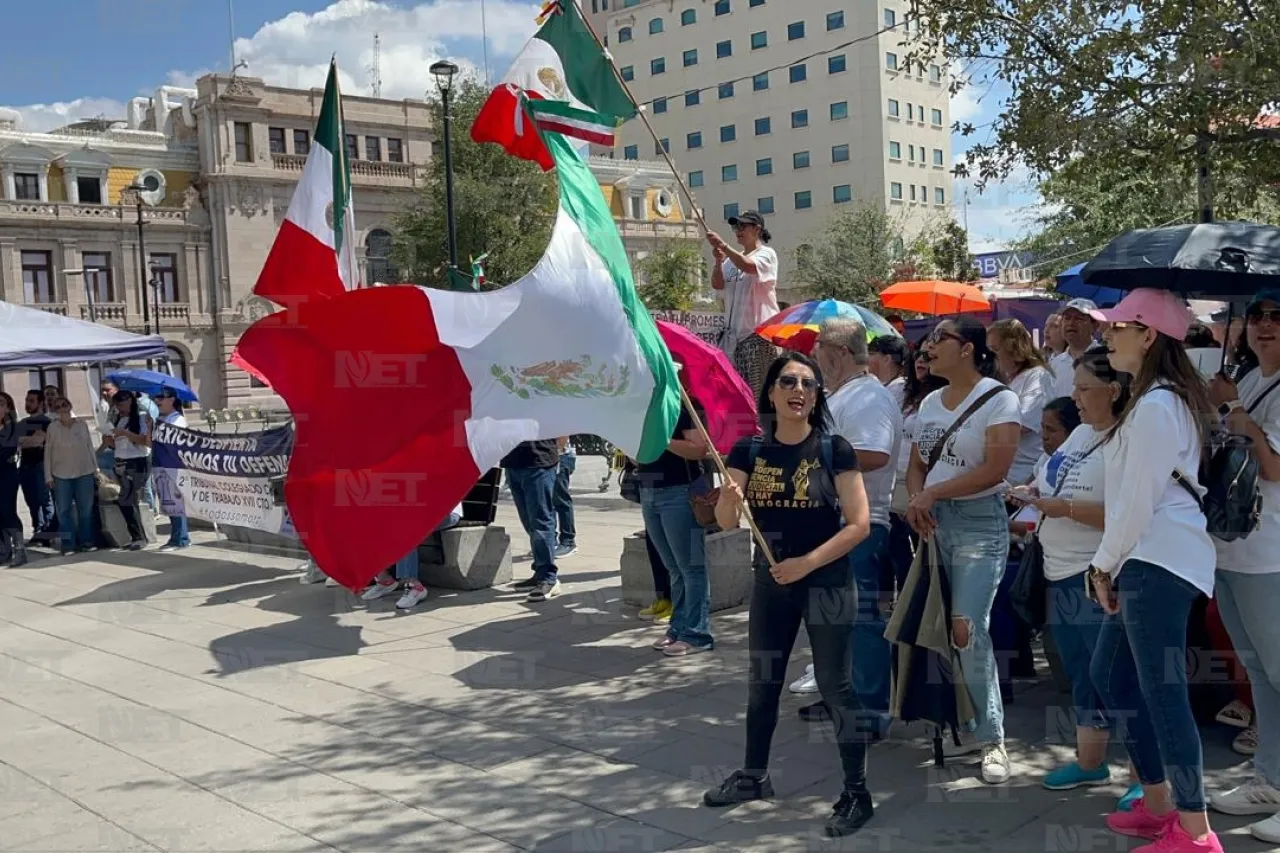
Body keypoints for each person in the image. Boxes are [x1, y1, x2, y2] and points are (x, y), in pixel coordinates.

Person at [704, 353, 875, 838]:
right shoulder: (748, 451)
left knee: (835, 687)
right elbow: (726, 523)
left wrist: (808, 563)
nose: (798, 389)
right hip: (771, 583)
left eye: (808, 383)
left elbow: (859, 524)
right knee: (763, 684)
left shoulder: (834, 449)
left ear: (817, 395)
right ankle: (754, 776)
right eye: (787, 381)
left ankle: (857, 792)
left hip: (826, 581)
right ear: (772, 394)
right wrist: (727, 501)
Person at [1084, 288, 1222, 853]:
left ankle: (1195, 832)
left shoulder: (1158, 406)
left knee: (1163, 697)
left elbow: (1136, 501)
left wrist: (1102, 564)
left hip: (1156, 560)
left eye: (1118, 327)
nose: (1107, 335)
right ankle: (1160, 802)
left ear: (1148, 336)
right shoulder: (1158, 401)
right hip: (1151, 558)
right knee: (1112, 675)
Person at [906, 316, 1021, 784]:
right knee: (934, 622)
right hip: (935, 524)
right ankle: (958, 715)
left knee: (965, 628)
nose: (929, 347)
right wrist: (918, 498)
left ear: (968, 348)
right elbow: (917, 463)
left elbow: (996, 469)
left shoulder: (1001, 399)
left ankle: (992, 739)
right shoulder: (931, 400)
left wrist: (934, 493)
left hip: (978, 524)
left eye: (939, 339)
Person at [1020, 348, 1128, 794]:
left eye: (1084, 389)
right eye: (1075, 387)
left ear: (1114, 390)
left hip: (1097, 574)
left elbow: (1128, 512)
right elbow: (1052, 475)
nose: (1076, 397)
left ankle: (1148, 775)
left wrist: (1061, 507)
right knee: (1083, 673)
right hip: (1057, 570)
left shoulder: (1127, 440)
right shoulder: (1081, 434)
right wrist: (1030, 490)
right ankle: (1091, 762)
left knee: (1116, 675)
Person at [803, 318, 902, 731]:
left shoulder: (868, 398)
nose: (813, 356)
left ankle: (870, 709)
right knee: (835, 618)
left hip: (859, 523)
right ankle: (842, 698)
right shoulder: (844, 395)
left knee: (861, 617)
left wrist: (811, 458)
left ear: (840, 352)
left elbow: (875, 455)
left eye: (819, 347)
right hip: (835, 523)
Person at [1207, 289, 1280, 845]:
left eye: (1277, 316)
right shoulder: (1252, 380)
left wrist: (1233, 410)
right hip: (1231, 548)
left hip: (1271, 554)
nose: (1264, 325)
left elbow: (1273, 468)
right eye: (1256, 315)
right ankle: (1270, 779)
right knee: (1259, 673)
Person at [635, 392, 714, 657]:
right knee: (673, 567)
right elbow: (639, 458)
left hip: (680, 492)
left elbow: (699, 449)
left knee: (691, 567)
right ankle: (678, 627)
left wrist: (664, 441)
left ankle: (697, 633)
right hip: (649, 491)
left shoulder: (685, 404)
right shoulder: (643, 405)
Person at [708, 210, 780, 397]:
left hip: (757, 336)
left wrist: (724, 246)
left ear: (757, 229)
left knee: (759, 394)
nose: (738, 230)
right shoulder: (731, 261)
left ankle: (763, 426)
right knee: (737, 394)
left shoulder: (766, 254)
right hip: (734, 338)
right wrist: (718, 262)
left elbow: (749, 266)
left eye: (743, 225)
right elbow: (717, 284)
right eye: (735, 226)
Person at [989, 319, 1056, 484]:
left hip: (1022, 477)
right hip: (1004, 476)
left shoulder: (1038, 376)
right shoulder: (1007, 379)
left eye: (995, 349)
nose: (991, 356)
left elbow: (1021, 424)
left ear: (1013, 348)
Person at [361, 503, 463, 610]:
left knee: (407, 525)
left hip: (447, 512)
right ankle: (385, 579)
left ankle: (414, 586)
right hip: (416, 511)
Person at [503, 440, 562, 602]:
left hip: (539, 461)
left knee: (541, 522)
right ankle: (540, 571)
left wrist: (557, 450)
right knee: (529, 522)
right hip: (513, 462)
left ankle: (548, 577)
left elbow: (563, 425)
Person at [42, 396, 98, 554]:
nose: (62, 408)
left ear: (70, 405)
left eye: (64, 405)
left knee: (85, 510)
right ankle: (68, 544)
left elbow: (90, 447)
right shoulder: (53, 428)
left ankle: (86, 541)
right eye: (57, 406)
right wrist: (48, 476)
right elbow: (48, 452)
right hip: (60, 474)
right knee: (63, 511)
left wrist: (96, 469)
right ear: (55, 410)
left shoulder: (82, 424)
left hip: (84, 471)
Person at [108, 390, 153, 550]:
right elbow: (118, 444)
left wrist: (126, 433)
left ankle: (140, 537)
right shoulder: (119, 419)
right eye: (116, 405)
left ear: (130, 402)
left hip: (137, 462)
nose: (119, 408)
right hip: (122, 460)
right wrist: (110, 439)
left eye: (121, 404)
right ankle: (135, 536)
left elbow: (145, 441)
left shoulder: (141, 417)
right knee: (125, 500)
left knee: (128, 498)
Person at [17, 390, 55, 544]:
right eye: (27, 400)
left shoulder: (46, 422)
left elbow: (39, 441)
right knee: (31, 500)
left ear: (40, 403)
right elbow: (15, 441)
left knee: (44, 499)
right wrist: (28, 439)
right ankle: (38, 530)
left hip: (41, 463)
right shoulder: (22, 423)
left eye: (32, 401)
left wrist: (26, 440)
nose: (28, 403)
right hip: (25, 465)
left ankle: (48, 532)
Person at [154, 390, 190, 551]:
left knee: (176, 503)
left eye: (161, 398)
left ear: (172, 400)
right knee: (168, 503)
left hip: (174, 466)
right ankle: (175, 536)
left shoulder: (177, 420)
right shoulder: (162, 420)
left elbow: (174, 442)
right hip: (162, 466)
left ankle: (181, 538)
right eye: (157, 398)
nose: (158, 401)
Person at [1049, 299, 1100, 398]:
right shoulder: (1055, 364)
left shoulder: (1106, 359)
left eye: (1079, 319)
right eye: (1067, 318)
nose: (1071, 323)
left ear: (1095, 326)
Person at [0, 393, 28, 567]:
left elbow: (6, 452)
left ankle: (19, 549)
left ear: (8, 408)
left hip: (6, 476)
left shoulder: (11, 428)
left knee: (7, 511)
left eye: (1, 403)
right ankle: (4, 551)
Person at [868, 336, 909, 408]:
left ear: (887, 359)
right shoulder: (890, 386)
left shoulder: (899, 388)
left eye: (871, 354)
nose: (866, 358)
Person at [553, 437, 577, 558]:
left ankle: (568, 541)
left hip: (561, 456)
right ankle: (550, 540)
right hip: (551, 456)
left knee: (561, 499)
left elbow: (563, 434)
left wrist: (557, 450)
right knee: (548, 501)